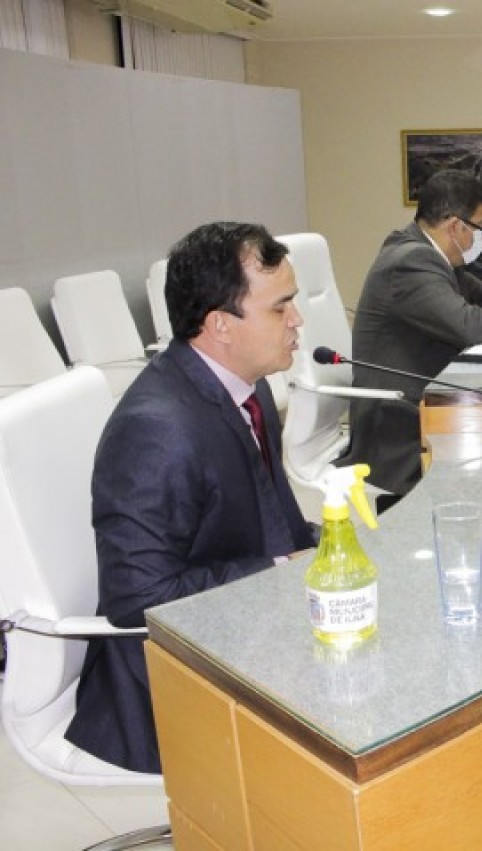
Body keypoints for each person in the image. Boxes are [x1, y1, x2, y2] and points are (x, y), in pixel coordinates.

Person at [64, 222, 317, 774]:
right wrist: (281, 570)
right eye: (280, 308)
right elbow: (139, 599)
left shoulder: (248, 385)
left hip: (241, 630)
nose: (297, 319)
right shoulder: (157, 430)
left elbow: (275, 520)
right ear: (220, 325)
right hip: (164, 680)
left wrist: (337, 544)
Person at [348, 169, 482, 497]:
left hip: (426, 399)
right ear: (455, 226)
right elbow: (465, 324)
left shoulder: (425, 251)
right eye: (479, 226)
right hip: (396, 421)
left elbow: (476, 289)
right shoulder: (410, 261)